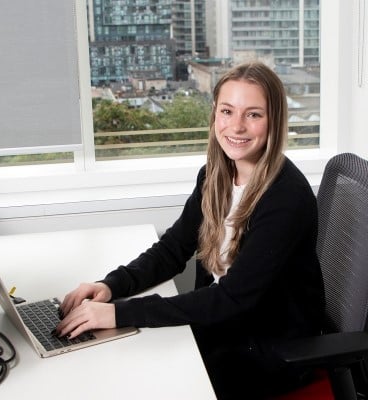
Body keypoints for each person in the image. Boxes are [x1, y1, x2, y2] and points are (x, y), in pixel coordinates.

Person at [56, 61, 325, 399]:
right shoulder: (216, 175)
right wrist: (110, 286)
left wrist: (117, 313)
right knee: (112, 358)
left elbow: (231, 298)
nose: (237, 126)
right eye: (227, 111)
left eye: (253, 114)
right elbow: (172, 250)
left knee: (137, 376)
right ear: (215, 115)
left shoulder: (285, 198)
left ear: (274, 121)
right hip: (225, 328)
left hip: (265, 349)